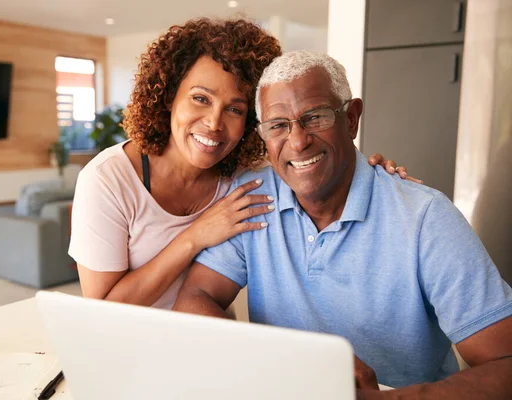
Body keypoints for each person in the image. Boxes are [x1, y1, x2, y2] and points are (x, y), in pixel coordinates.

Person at [173, 51, 512, 398]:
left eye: (315, 117)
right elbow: (195, 298)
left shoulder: (425, 219)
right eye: (278, 125)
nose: (298, 141)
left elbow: (505, 361)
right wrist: (286, 365)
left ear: (351, 119)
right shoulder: (254, 199)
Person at [69, 19, 409, 310]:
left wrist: (374, 173)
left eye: (235, 109)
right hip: (127, 352)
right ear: (169, 96)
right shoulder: (107, 179)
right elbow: (102, 309)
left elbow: (313, 161)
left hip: (209, 344)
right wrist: (195, 237)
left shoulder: (247, 175)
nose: (214, 123)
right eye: (201, 99)